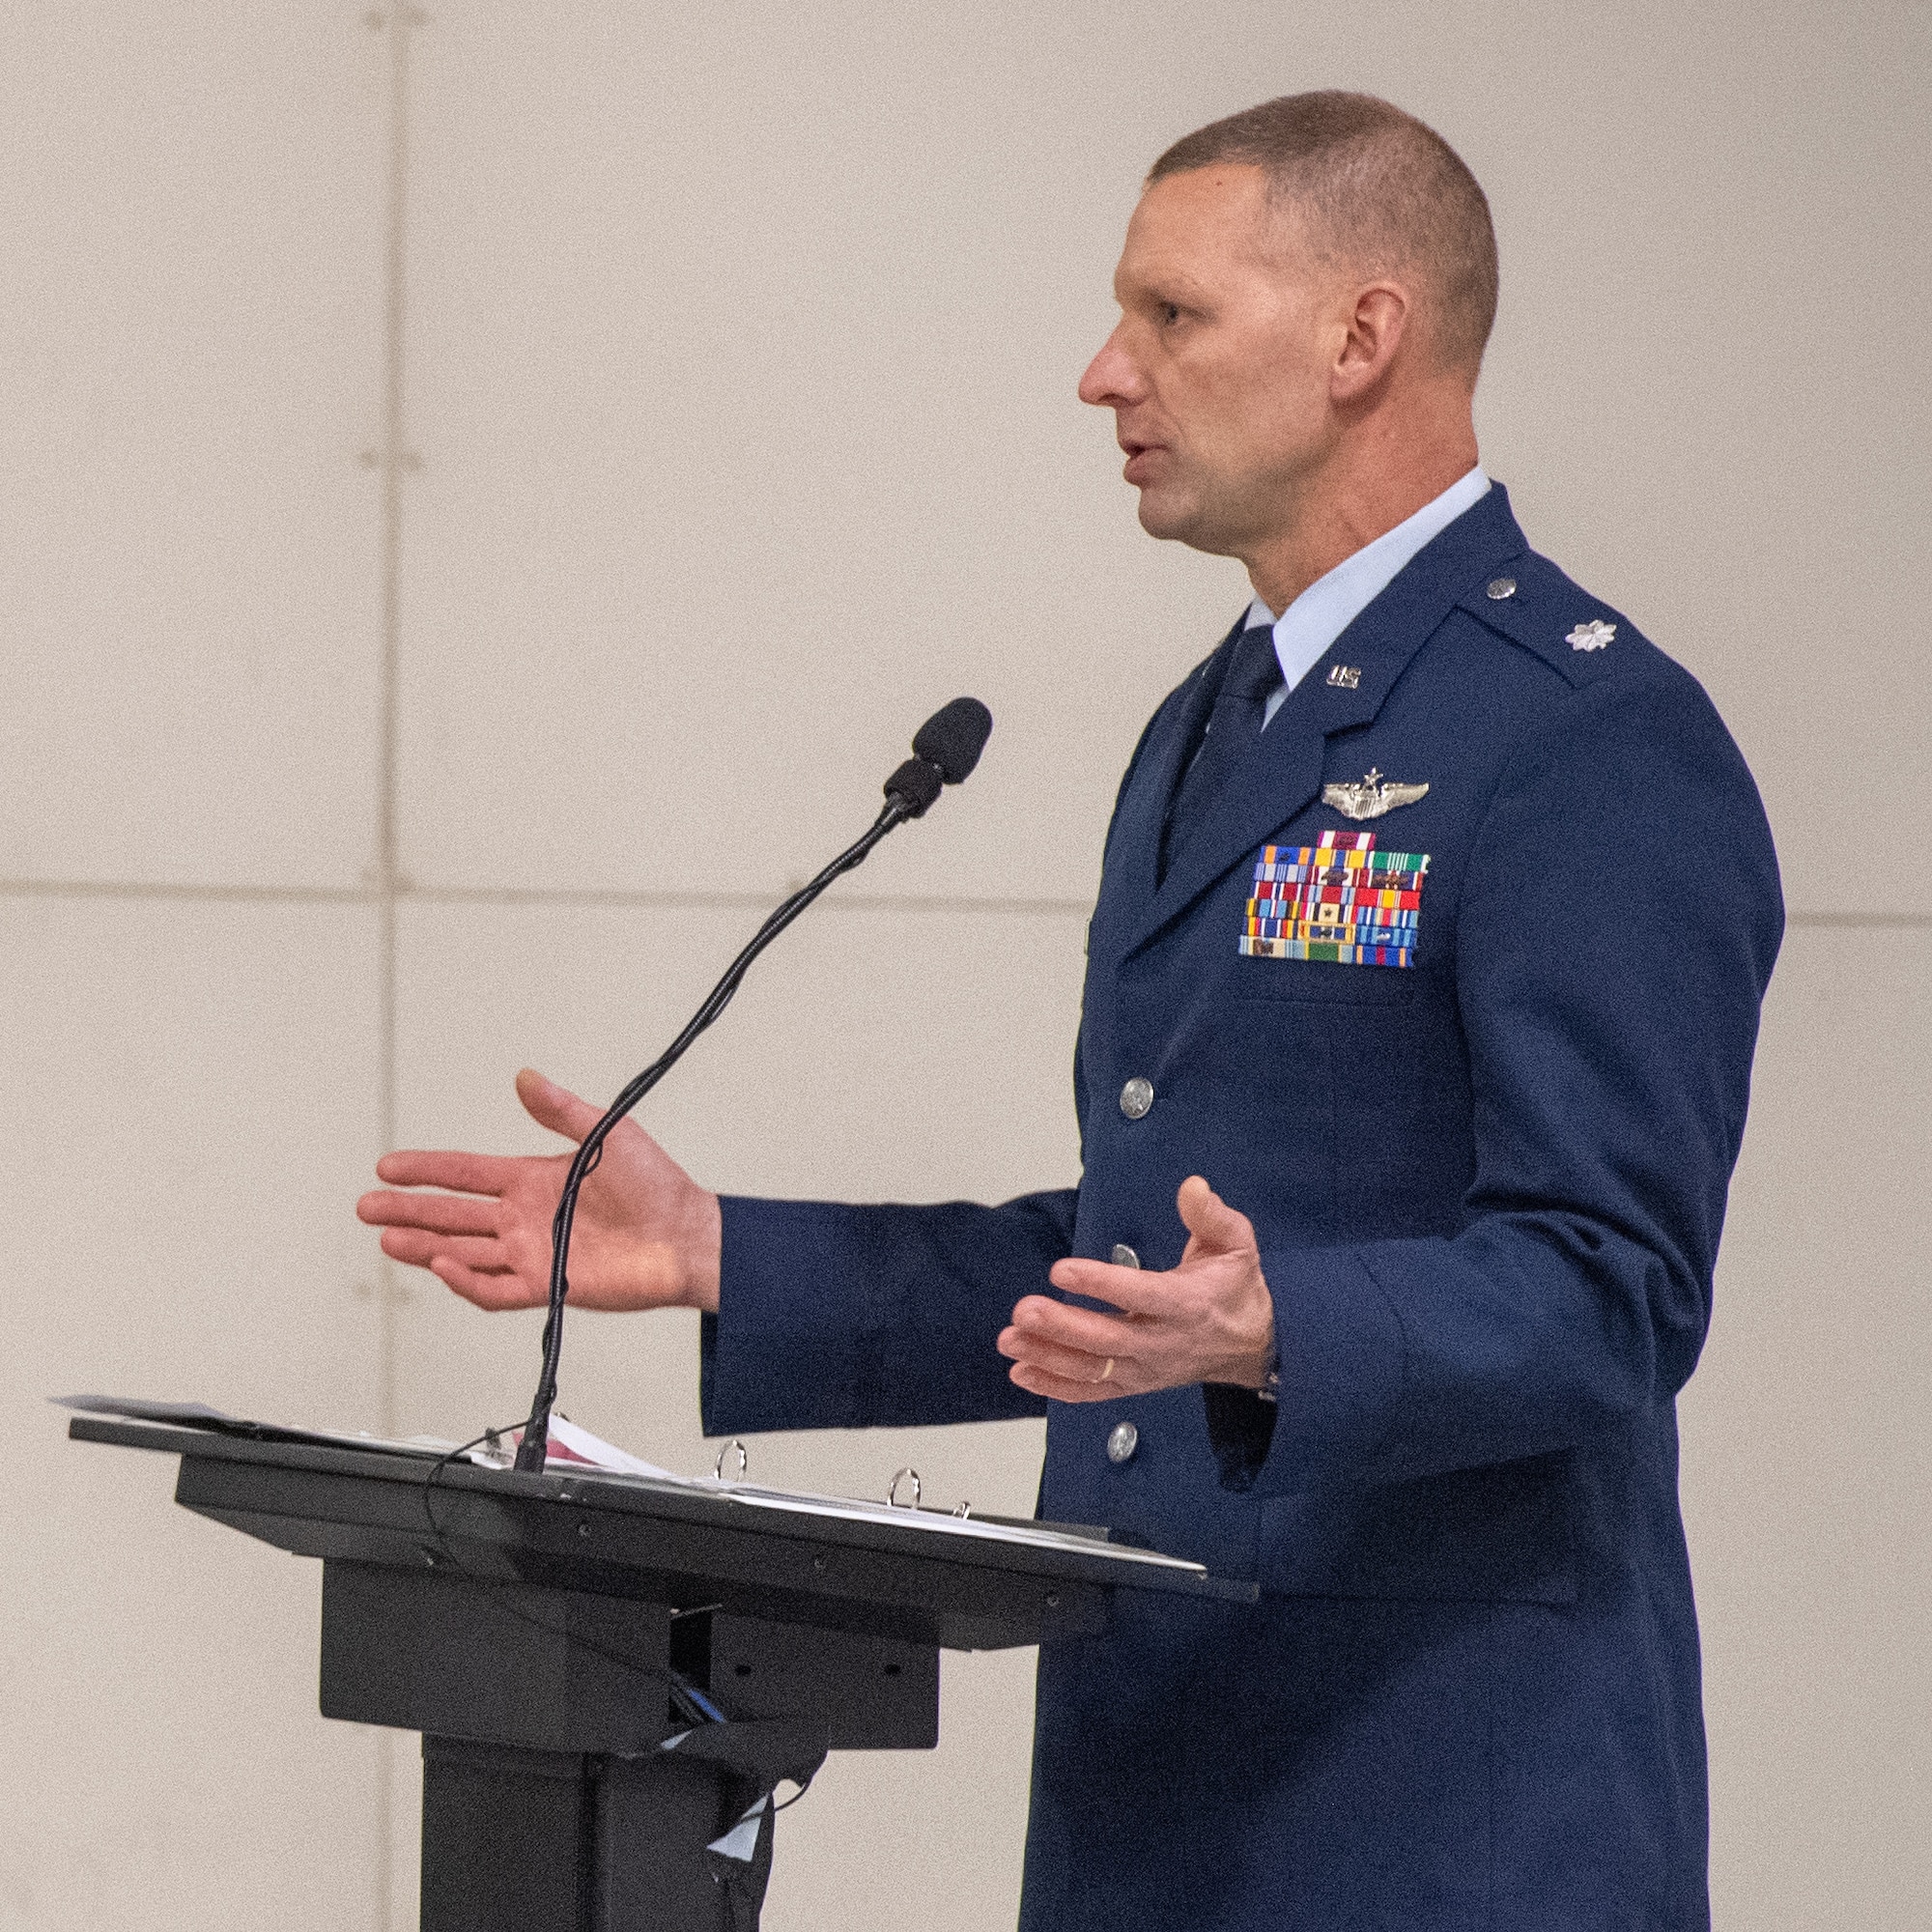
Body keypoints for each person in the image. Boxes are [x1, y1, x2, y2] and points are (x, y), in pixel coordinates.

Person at [359, 92, 1782, 1931]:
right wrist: (731, 1255)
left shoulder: (1584, 739)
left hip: (1446, 1807)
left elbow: (1615, 1290)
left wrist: (1283, 1332)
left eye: (1172, 317)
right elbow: (1139, 1280)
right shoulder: (1212, 728)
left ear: (1364, 336)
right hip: (1159, 1777)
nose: (1105, 373)